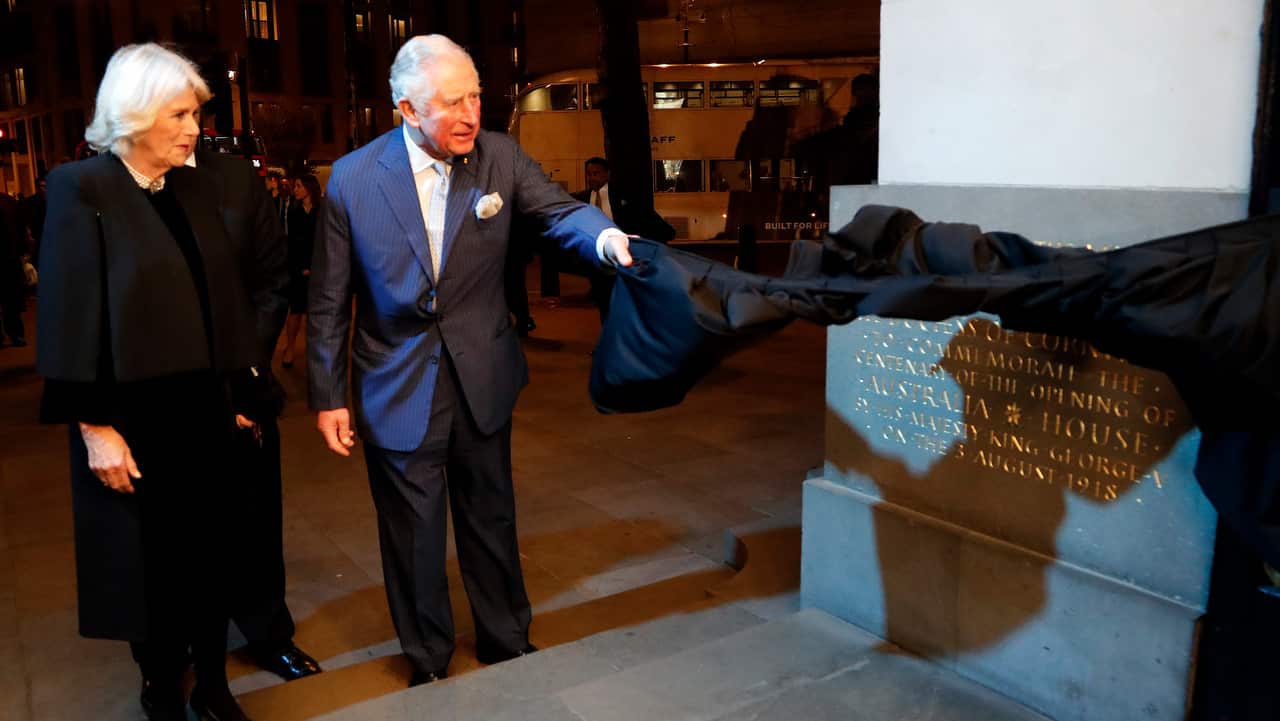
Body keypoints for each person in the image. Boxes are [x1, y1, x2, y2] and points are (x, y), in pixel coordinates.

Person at [308, 34, 632, 687]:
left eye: (476, 97)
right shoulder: (352, 178)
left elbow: (559, 213)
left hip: (482, 375)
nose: (469, 114)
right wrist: (328, 394)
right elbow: (327, 298)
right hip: (394, 385)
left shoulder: (501, 159)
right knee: (413, 535)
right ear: (407, 109)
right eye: (451, 102)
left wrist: (606, 237)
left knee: (491, 516)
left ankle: (506, 640)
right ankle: (427, 657)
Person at [35, 44, 287, 721]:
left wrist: (242, 396)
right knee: (148, 571)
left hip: (204, 415)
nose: (193, 129)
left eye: (195, 114)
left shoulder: (192, 187)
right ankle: (160, 685)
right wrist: (94, 428)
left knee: (211, 558)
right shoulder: (81, 187)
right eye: (179, 114)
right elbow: (66, 314)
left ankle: (212, 683)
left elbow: (224, 300)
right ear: (136, 113)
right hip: (131, 422)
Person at [188, 151, 322, 683]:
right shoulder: (125, 176)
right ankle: (187, 644)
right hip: (167, 387)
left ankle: (269, 634)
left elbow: (274, 278)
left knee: (255, 518)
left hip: (242, 379)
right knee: (182, 530)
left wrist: (245, 371)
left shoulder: (236, 177)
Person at [571, 157, 620, 321]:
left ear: (607, 174)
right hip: (596, 259)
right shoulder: (583, 198)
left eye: (596, 173)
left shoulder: (618, 196)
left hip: (620, 257)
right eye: (589, 174)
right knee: (604, 303)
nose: (592, 178)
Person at [280, 174, 321, 367]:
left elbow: (324, 243)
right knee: (295, 310)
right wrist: (300, 267)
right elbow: (293, 242)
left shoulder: (322, 211)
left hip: (318, 270)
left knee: (315, 313)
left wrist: (315, 267)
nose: (294, 189)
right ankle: (290, 347)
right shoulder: (294, 211)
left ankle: (316, 351)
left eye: (298, 186)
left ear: (309, 188)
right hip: (297, 268)